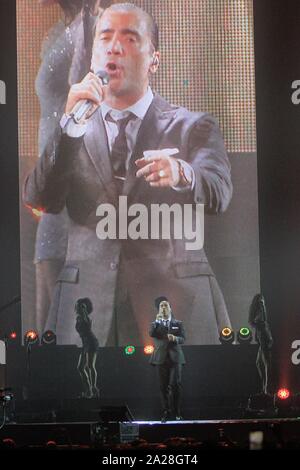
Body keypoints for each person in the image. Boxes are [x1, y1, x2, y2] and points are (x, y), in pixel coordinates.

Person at [24, 2, 233, 346]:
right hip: (86, 312)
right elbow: (39, 197)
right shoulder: (74, 130)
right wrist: (70, 127)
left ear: (154, 59)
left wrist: (182, 172)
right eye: (105, 37)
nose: (114, 46)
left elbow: (219, 190)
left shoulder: (194, 126)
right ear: (92, 57)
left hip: (171, 306)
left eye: (130, 38)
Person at [32, 0, 104, 336]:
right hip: (52, 179)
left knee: (63, 323)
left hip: (72, 190)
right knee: (47, 323)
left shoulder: (92, 28)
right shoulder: (63, 30)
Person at [149, 297, 185, 422]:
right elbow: (152, 334)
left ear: (170, 308)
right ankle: (166, 411)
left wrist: (175, 338)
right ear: (159, 309)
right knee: (163, 386)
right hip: (160, 358)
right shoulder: (155, 324)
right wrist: (158, 321)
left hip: (175, 358)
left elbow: (183, 338)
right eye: (161, 306)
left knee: (175, 384)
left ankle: (177, 412)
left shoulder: (178, 323)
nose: (164, 307)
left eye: (166, 305)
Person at [248, 293, 273, 395]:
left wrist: (270, 337)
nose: (262, 300)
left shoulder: (261, 307)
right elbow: (258, 322)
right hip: (261, 334)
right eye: (261, 299)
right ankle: (264, 388)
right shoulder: (259, 308)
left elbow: (264, 323)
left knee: (266, 362)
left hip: (263, 335)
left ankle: (266, 389)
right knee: (259, 363)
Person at [75, 297, 99, 398]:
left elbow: (87, 323)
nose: (76, 307)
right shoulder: (78, 318)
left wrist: (84, 310)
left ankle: (93, 389)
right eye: (77, 305)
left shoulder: (86, 318)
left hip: (91, 342)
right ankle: (88, 390)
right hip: (85, 343)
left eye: (79, 306)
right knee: (80, 368)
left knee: (90, 366)